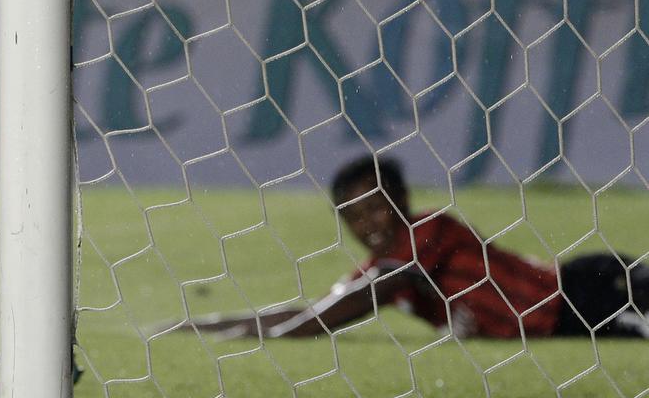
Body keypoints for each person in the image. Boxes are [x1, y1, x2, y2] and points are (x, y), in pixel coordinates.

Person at [183, 156, 649, 340]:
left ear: (401, 200)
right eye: (354, 217)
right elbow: (322, 306)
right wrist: (209, 326)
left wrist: (287, 335)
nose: (368, 225)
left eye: (375, 208)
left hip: (589, 290)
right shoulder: (381, 267)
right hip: (567, 320)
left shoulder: (428, 231)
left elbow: (359, 302)